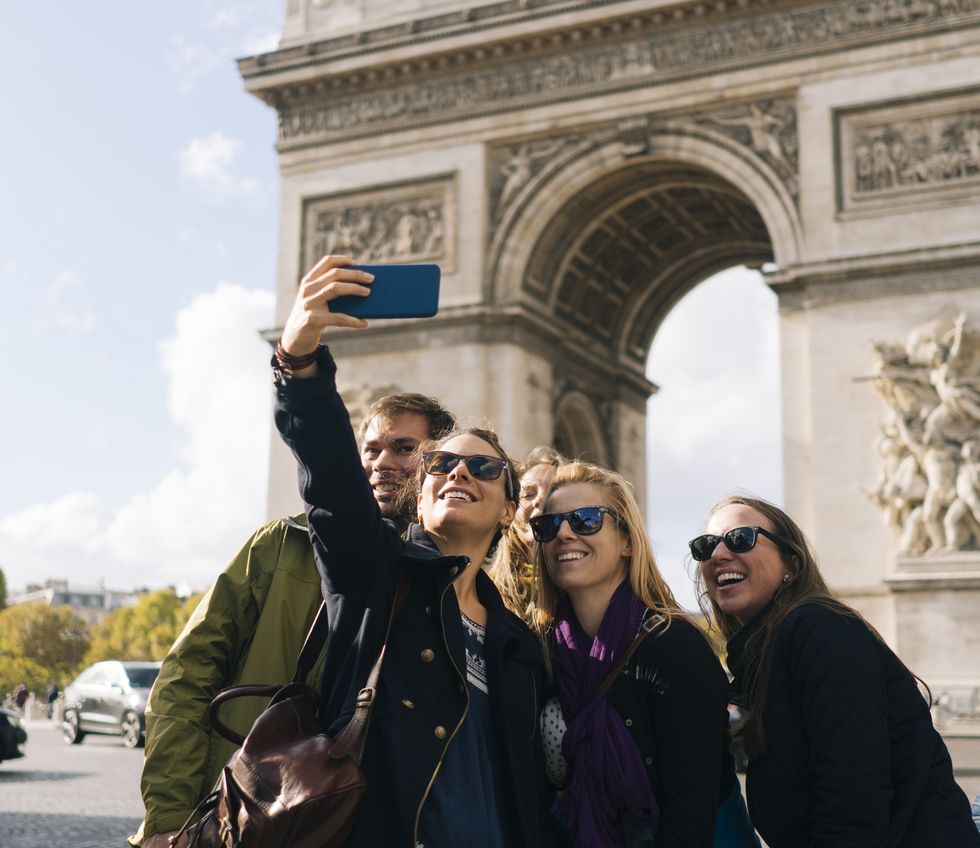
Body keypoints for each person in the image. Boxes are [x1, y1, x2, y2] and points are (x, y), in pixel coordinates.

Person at [272, 253, 558, 847]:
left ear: (510, 509)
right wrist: (298, 362)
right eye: (442, 463)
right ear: (418, 493)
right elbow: (328, 473)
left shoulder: (521, 644)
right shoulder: (371, 570)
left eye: (482, 467)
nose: (458, 473)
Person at [132, 389, 455, 848]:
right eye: (371, 449)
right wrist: (169, 816)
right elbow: (186, 677)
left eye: (404, 448)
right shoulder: (280, 545)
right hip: (248, 817)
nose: (381, 462)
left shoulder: (457, 585)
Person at [691, 494, 980, 848]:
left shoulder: (818, 629)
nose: (718, 554)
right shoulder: (761, 654)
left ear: (792, 565)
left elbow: (852, 798)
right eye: (705, 546)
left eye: (740, 539)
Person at [531, 460, 754, 848]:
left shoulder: (676, 647)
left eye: (586, 519)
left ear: (627, 541)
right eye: (549, 525)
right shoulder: (541, 650)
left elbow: (690, 821)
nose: (564, 533)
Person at [488, 445, 563, 624]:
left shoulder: (582, 588)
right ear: (509, 512)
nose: (540, 501)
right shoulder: (486, 592)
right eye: (528, 494)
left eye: (553, 493)